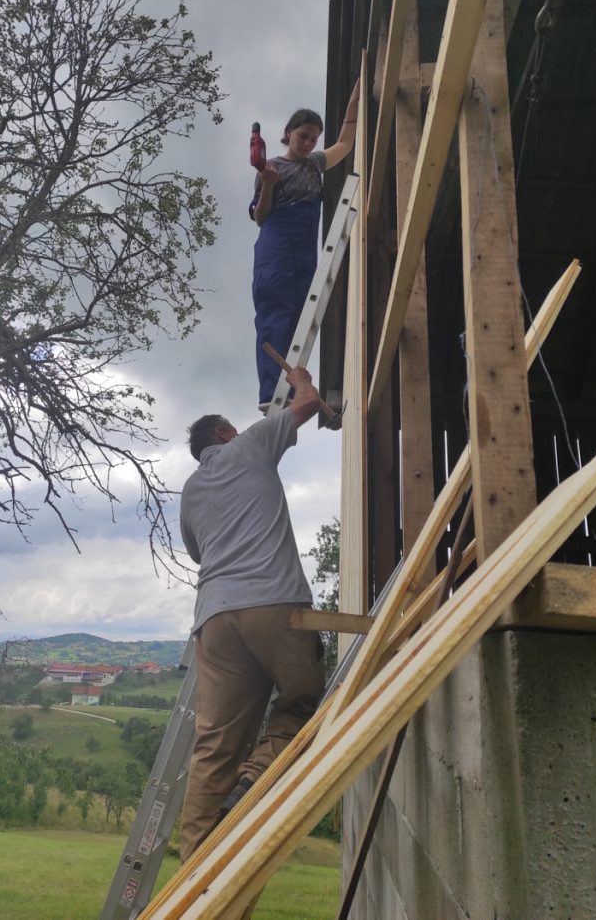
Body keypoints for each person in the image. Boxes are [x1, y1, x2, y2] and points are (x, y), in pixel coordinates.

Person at [178, 366, 326, 861]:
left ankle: (194, 878)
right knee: (303, 702)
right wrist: (302, 378)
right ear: (224, 434)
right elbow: (305, 403)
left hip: (214, 620)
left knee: (214, 745)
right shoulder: (252, 445)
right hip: (273, 604)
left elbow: (199, 553)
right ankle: (253, 784)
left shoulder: (191, 491)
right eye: (232, 428)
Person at [250, 79, 360, 408]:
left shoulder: (315, 164)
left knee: (300, 314)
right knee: (276, 309)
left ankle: (292, 386)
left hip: (304, 244)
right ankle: (271, 393)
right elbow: (260, 216)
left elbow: (345, 142)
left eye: (313, 138)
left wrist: (356, 96)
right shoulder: (273, 168)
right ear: (288, 132)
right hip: (278, 241)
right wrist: (268, 184)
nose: (309, 143)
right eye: (303, 136)